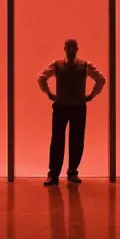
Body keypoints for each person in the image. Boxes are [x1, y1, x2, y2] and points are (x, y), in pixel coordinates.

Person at [37, 39, 106, 187]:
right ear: (65, 48)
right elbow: (41, 78)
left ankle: (72, 171)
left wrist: (91, 95)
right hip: (64, 106)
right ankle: (54, 174)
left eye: (73, 47)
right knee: (57, 141)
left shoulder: (84, 65)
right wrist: (49, 93)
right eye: (69, 47)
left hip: (76, 107)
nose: (71, 50)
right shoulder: (58, 65)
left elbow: (101, 79)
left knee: (76, 140)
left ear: (77, 48)